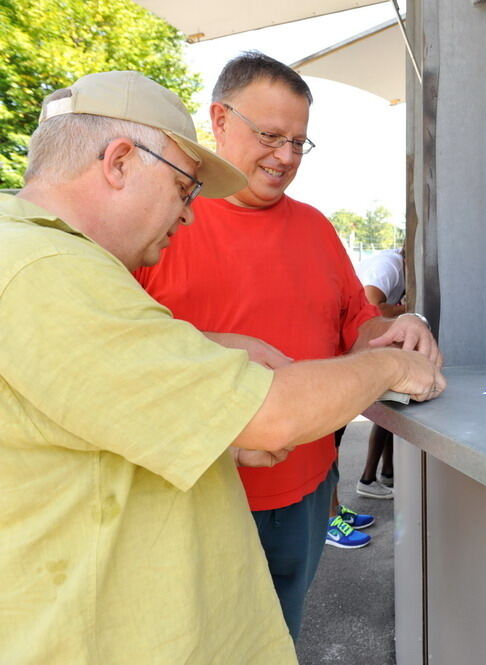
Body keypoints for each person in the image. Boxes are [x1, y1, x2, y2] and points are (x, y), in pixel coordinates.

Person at [0, 70, 443, 664]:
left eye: (298, 142)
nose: (186, 214)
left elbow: (99, 404)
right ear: (121, 162)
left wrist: (223, 403)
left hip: (264, 496)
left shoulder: (39, 254)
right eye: (184, 188)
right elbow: (269, 415)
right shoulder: (48, 271)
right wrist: (390, 367)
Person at [135, 52, 442, 638]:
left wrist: (407, 329)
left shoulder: (316, 228)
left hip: (307, 490)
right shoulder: (162, 219)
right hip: (192, 494)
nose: (285, 158)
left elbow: (360, 322)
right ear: (218, 119)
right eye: (271, 136)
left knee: (280, 636)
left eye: (299, 143)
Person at [354, 248, 406, 501]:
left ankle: (386, 472)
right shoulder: (390, 265)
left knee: (391, 409)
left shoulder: (395, 266)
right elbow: (370, 308)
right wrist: (404, 310)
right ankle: (367, 478)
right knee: (386, 412)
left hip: (369, 348)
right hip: (357, 350)